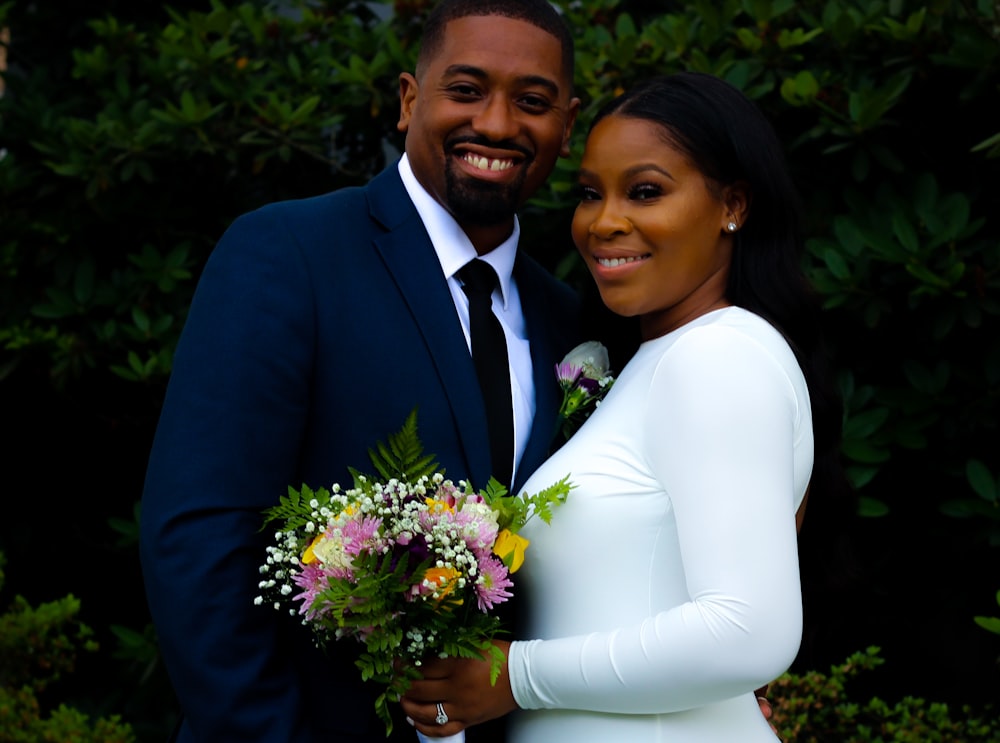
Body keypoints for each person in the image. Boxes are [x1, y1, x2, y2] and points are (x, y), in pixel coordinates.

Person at [138, 1, 582, 741]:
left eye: (531, 103)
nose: (499, 126)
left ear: (566, 125)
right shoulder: (289, 253)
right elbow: (199, 536)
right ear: (410, 99)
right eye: (467, 90)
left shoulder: (569, 319)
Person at [400, 72, 843, 741]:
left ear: (734, 205)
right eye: (588, 194)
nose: (604, 222)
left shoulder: (717, 358)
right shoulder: (657, 361)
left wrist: (515, 677)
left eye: (645, 191)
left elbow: (750, 631)